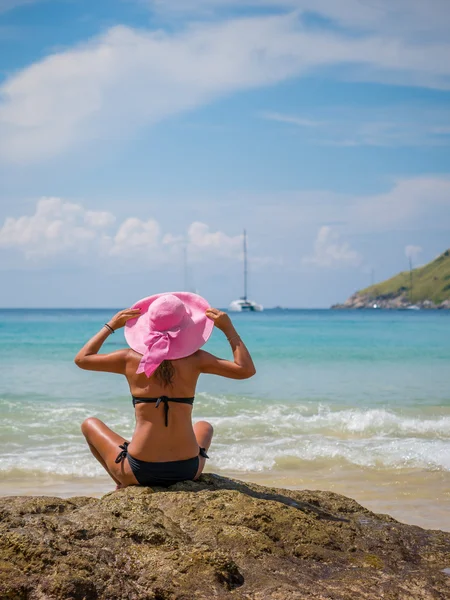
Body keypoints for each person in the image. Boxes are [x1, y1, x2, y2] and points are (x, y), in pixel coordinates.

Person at [75, 292, 256, 489]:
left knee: (89, 424)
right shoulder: (197, 359)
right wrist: (229, 330)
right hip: (188, 470)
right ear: (187, 326)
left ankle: (122, 484)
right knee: (205, 426)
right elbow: (245, 370)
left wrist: (111, 326)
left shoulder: (128, 359)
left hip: (139, 471)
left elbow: (82, 359)